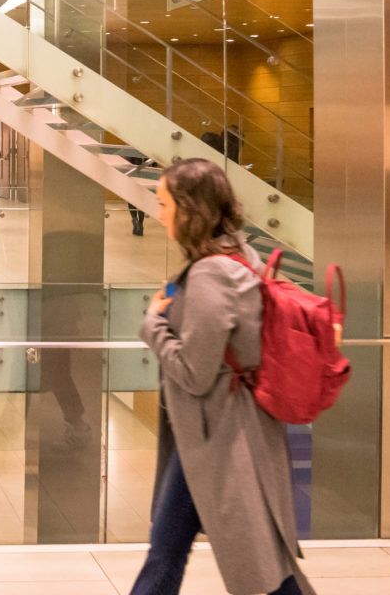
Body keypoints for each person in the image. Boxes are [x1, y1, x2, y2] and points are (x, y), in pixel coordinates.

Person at [131, 158, 314, 595]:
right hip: (209, 435)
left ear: (190, 209)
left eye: (164, 204)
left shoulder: (212, 274)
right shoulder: (238, 254)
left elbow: (194, 373)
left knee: (259, 567)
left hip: (221, 436)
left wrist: (153, 324)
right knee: (168, 549)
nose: (159, 213)